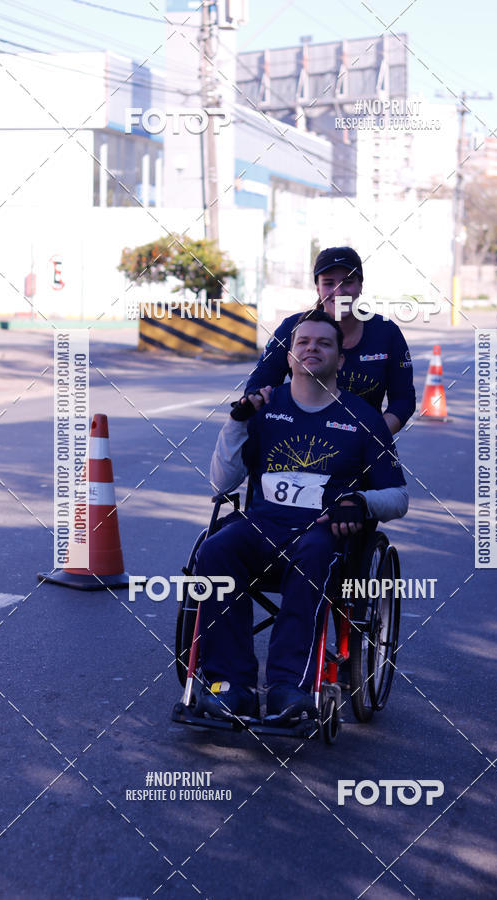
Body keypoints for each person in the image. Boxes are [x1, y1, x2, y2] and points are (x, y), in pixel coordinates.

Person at [194, 309, 409, 724]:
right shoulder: (262, 410)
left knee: (313, 559)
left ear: (340, 359)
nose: (312, 348)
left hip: (322, 533)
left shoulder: (364, 418)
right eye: (303, 343)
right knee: (215, 550)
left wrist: (361, 502)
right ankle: (230, 686)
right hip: (261, 526)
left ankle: (288, 688)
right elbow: (221, 486)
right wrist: (236, 424)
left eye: (324, 343)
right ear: (289, 357)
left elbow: (398, 498)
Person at [243, 246, 415, 435]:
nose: (338, 292)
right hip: (305, 441)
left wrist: (372, 438)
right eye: (328, 283)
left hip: (366, 444)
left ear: (360, 286)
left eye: (347, 282)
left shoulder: (386, 332)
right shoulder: (292, 328)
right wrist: (258, 398)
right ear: (318, 288)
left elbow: (403, 400)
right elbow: (259, 383)